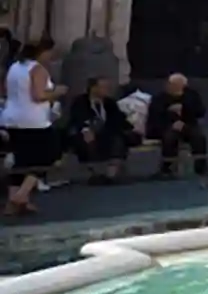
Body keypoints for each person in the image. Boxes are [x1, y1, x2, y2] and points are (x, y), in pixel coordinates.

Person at [3, 40, 66, 216]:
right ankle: (21, 195)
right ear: (41, 52)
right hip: (34, 120)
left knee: (21, 159)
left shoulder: (15, 67)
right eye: (49, 52)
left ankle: (14, 200)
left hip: (12, 117)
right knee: (48, 153)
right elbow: (38, 95)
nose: (51, 56)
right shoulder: (38, 69)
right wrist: (58, 92)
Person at [67, 76, 138, 185]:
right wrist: (85, 130)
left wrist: (132, 126)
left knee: (118, 139)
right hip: (86, 133)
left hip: (107, 133)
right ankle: (95, 174)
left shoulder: (110, 102)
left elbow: (118, 119)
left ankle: (111, 175)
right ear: (93, 88)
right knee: (86, 140)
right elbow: (77, 119)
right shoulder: (80, 101)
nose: (107, 90)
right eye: (104, 87)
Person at [144, 73, 208, 178]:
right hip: (165, 126)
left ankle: (201, 167)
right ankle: (167, 168)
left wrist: (184, 113)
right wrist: (171, 121)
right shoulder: (159, 98)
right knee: (170, 137)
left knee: (198, 136)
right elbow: (155, 116)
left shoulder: (192, 96)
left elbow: (200, 112)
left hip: (187, 124)